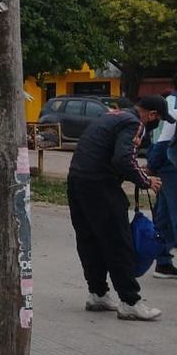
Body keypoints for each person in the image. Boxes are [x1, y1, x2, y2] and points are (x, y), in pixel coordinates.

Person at [67, 95, 171, 321]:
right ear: (152, 115)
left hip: (77, 180)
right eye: (159, 119)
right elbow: (122, 159)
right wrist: (146, 180)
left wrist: (135, 170)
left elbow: (111, 153)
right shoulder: (135, 123)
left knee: (90, 240)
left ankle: (98, 293)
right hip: (100, 185)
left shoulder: (111, 114)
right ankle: (130, 301)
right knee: (118, 241)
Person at [145, 77, 177, 279]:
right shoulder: (173, 105)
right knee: (172, 214)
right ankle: (163, 261)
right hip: (169, 166)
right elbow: (164, 140)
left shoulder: (170, 103)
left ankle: (163, 262)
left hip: (163, 164)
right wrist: (152, 165)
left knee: (164, 215)